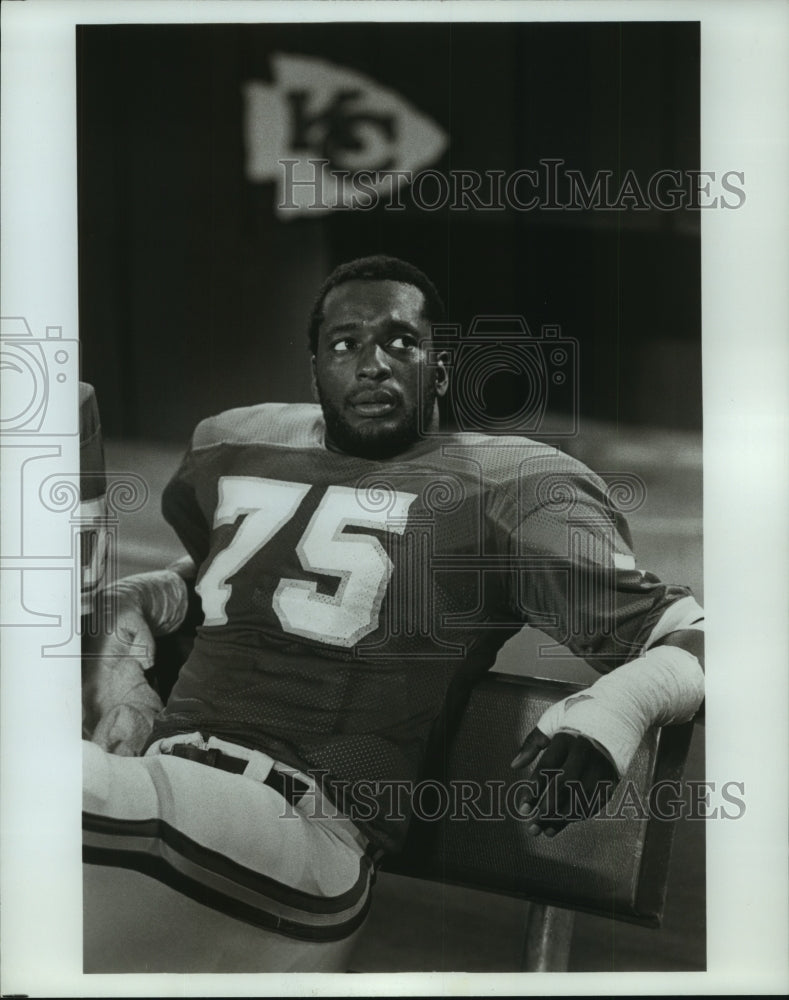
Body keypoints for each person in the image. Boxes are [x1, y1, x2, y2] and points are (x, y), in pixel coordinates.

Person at [81, 255, 705, 972]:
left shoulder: (506, 485)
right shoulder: (235, 444)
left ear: (438, 368)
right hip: (161, 806)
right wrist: (143, 595)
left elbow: (695, 634)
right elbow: (246, 580)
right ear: (313, 366)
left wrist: (622, 705)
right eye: (345, 344)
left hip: (300, 839)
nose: (372, 364)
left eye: (401, 341)